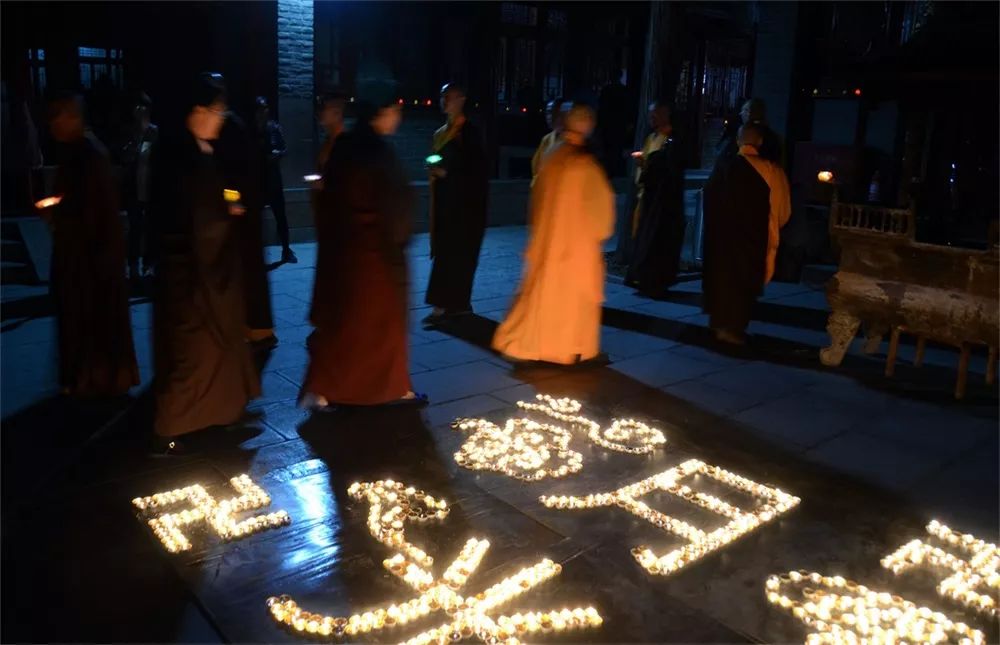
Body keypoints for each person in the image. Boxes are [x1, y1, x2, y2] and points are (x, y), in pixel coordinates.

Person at [150, 73, 260, 453]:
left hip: (216, 270)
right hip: (192, 276)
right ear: (196, 111)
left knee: (222, 347)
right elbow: (187, 218)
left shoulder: (204, 150)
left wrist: (232, 201)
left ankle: (219, 416)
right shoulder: (175, 156)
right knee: (192, 353)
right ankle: (174, 426)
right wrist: (223, 217)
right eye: (217, 111)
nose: (221, 119)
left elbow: (223, 188)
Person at [300, 90, 425, 408]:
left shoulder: (345, 146)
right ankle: (391, 387)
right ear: (380, 115)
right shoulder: (380, 151)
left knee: (344, 323)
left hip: (344, 251)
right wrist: (401, 234)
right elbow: (395, 204)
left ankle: (326, 389)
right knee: (383, 325)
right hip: (377, 256)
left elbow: (327, 193)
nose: (397, 117)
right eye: (394, 111)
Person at [492, 104, 615, 365]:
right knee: (572, 302)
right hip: (577, 248)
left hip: (550, 243)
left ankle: (533, 347)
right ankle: (570, 349)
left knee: (546, 297)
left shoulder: (554, 155)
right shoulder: (584, 164)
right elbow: (601, 215)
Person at [45, 93, 138, 397]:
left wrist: (57, 211)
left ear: (74, 118)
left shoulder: (89, 155)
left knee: (92, 323)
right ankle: (88, 378)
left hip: (91, 261)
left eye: (61, 116)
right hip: (83, 257)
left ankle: (96, 380)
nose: (54, 123)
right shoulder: (76, 153)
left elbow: (94, 212)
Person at [702, 122, 791, 345]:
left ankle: (718, 323)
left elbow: (708, 199)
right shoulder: (770, 170)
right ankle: (732, 328)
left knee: (721, 279)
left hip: (720, 238)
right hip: (751, 240)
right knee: (742, 283)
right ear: (759, 142)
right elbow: (782, 211)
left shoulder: (722, 166)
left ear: (738, 141)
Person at [422, 83, 489, 327]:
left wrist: (446, 174)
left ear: (461, 99)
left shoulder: (469, 133)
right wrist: (434, 170)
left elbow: (477, 173)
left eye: (448, 96)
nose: (444, 101)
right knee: (445, 254)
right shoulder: (441, 133)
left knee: (459, 256)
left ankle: (452, 305)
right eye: (441, 96)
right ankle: (449, 304)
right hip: (444, 204)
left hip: (465, 208)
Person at [219, 108, 275, 348]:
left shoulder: (230, 132)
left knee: (246, 272)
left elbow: (231, 181)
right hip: (248, 210)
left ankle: (253, 328)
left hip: (242, 214)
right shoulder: (238, 130)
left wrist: (231, 200)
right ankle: (258, 329)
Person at [625, 102, 686, 298]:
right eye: (650, 116)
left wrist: (650, 163)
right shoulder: (651, 138)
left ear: (665, 115)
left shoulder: (673, 140)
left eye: (655, 115)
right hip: (648, 197)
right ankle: (642, 278)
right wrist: (643, 164)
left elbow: (671, 169)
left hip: (664, 202)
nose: (651, 119)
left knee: (658, 241)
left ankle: (656, 281)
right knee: (643, 237)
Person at [120, 96, 159, 283]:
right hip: (134, 189)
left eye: (143, 108)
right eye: (137, 108)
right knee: (135, 228)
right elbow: (124, 158)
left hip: (150, 189)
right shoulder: (130, 133)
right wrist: (134, 142)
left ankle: (149, 265)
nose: (140, 112)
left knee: (151, 228)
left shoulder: (155, 133)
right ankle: (133, 266)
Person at [254, 96, 296, 263]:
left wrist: (277, 155)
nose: (263, 111)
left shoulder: (273, 127)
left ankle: (286, 250)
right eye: (260, 108)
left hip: (273, 179)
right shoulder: (252, 130)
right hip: (257, 179)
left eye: (265, 108)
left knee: (281, 216)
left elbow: (284, 148)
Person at [715, 98, 783, 167]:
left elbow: (725, 159)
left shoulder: (742, 135)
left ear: (749, 113)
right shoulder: (774, 137)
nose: (740, 114)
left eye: (743, 110)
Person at [530, 97, 564, 185]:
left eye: (552, 112)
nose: (549, 116)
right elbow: (536, 168)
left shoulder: (572, 139)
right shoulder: (546, 139)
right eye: (548, 113)